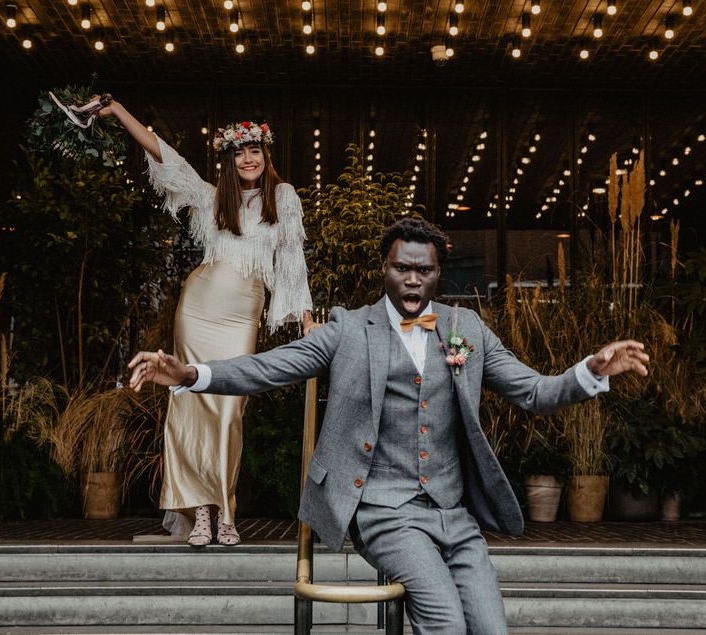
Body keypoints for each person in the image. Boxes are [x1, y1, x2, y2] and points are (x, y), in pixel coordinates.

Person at [127, 218, 649, 632]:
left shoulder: (466, 328)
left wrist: (592, 370)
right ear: (385, 268)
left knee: (490, 628)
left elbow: (534, 392)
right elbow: (271, 367)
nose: (414, 279)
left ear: (439, 273)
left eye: (425, 270)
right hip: (384, 511)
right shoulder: (349, 329)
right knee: (443, 621)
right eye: (403, 268)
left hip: (452, 511)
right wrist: (191, 373)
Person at [98, 98, 314, 547]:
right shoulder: (211, 198)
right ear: (230, 159)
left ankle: (226, 509)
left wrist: (307, 320)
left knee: (229, 412)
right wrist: (118, 111)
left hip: (241, 317)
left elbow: (293, 264)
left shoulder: (284, 198)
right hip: (197, 310)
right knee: (191, 406)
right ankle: (201, 512)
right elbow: (165, 157)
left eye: (255, 150)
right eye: (239, 152)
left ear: (266, 154)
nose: (249, 158)